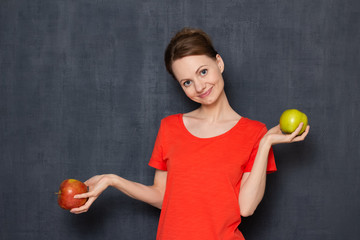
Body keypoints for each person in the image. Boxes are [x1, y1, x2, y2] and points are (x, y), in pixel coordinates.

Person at [71, 28, 310, 240]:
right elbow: (164, 196)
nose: (199, 87)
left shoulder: (254, 132)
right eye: (187, 82)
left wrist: (267, 141)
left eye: (203, 71)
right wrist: (113, 180)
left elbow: (245, 208)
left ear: (219, 63)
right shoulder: (170, 127)